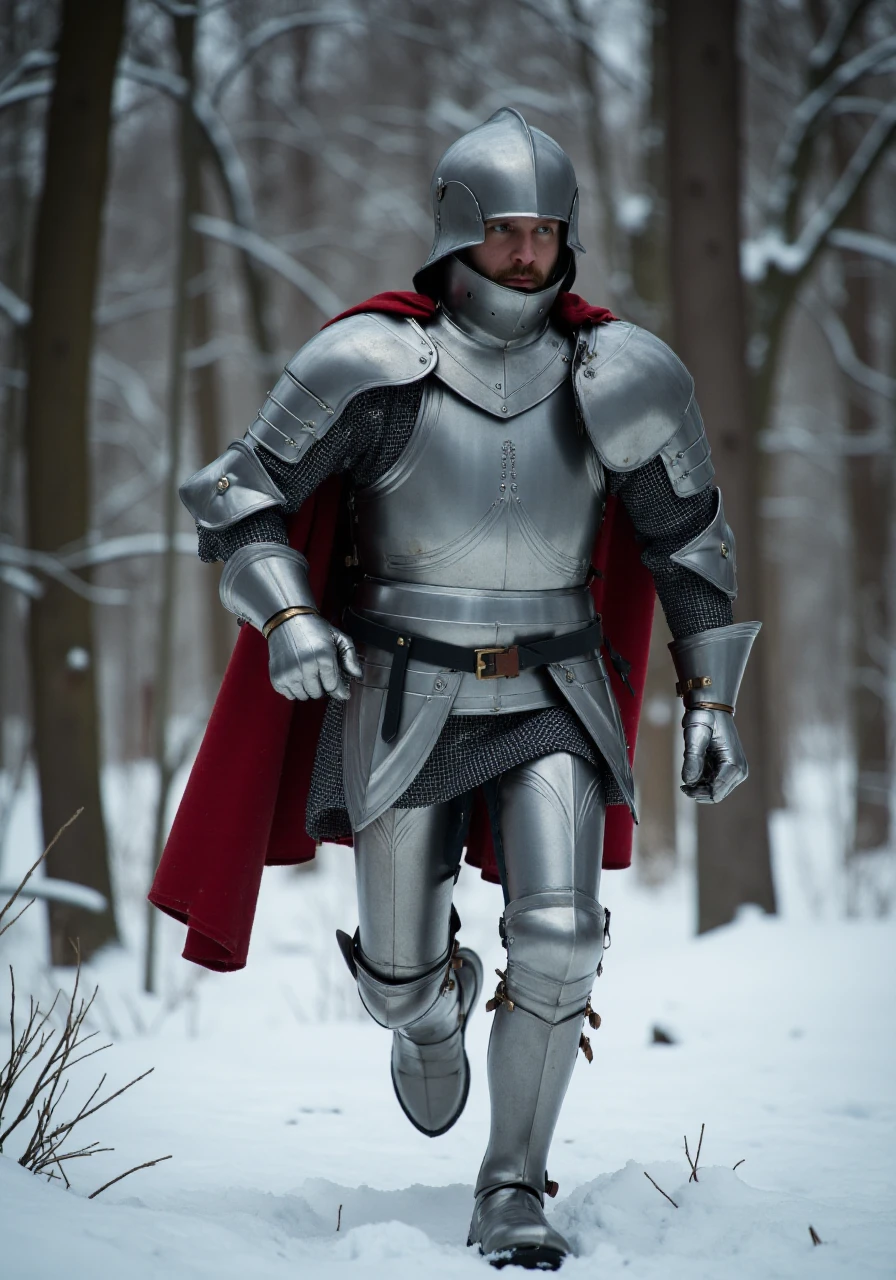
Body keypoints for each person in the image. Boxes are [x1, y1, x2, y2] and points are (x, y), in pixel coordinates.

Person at [176, 109, 759, 1270]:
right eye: (505, 230)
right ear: (456, 231)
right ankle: (427, 994)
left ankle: (510, 1189)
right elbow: (234, 494)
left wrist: (706, 700)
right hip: (402, 685)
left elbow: (687, 540)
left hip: (554, 687)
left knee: (559, 937)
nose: (528, 252)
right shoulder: (368, 361)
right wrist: (288, 614)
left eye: (545, 229)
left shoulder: (619, 373)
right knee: (394, 984)